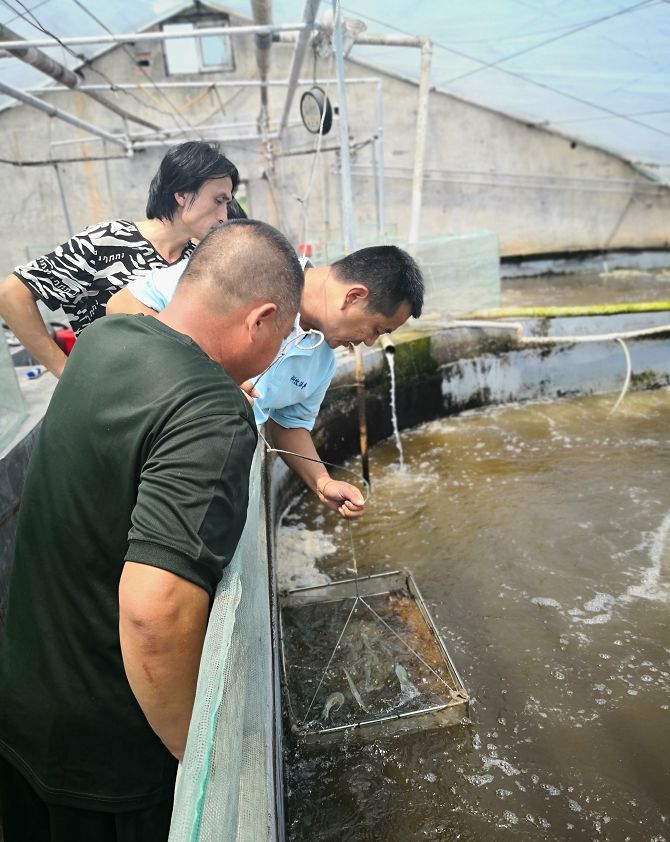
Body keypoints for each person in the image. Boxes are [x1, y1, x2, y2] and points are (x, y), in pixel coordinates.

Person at [0, 220, 304, 841]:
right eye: (281, 339)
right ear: (261, 319)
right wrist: (199, 759)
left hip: (24, 710)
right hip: (108, 764)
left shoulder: (106, 338)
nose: (276, 357)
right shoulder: (210, 415)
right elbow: (155, 615)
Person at [107, 245, 425, 520]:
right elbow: (122, 306)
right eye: (377, 329)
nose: (369, 343)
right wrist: (207, 373)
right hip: (138, 446)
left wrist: (322, 482)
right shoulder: (252, 267)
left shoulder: (322, 361)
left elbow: (288, 424)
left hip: (203, 480)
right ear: (354, 296)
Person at [0, 140, 240, 378]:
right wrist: (64, 371)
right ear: (182, 194)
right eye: (218, 201)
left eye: (227, 204)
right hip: (107, 399)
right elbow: (12, 294)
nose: (224, 216)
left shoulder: (196, 259)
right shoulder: (106, 241)